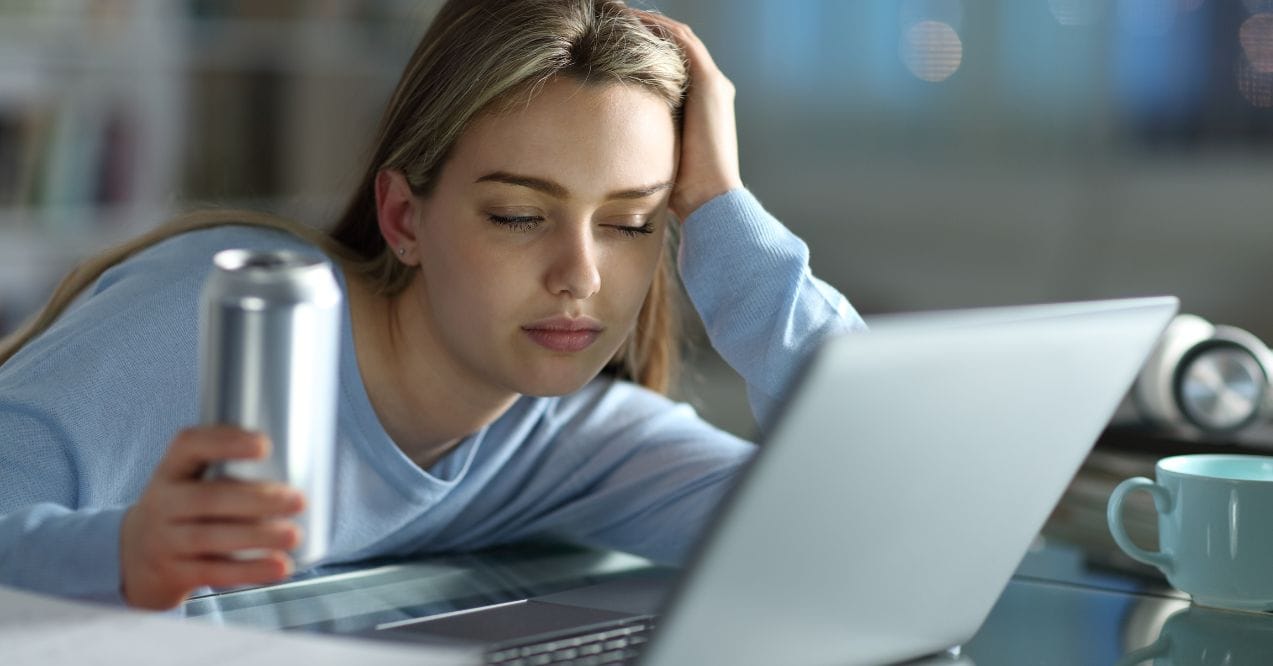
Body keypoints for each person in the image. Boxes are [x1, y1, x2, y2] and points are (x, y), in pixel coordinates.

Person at [0, 0, 864, 611]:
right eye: (520, 217)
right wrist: (121, 553)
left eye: (631, 223)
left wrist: (722, 209)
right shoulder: (224, 313)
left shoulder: (570, 440)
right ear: (403, 216)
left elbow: (864, 529)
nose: (581, 276)